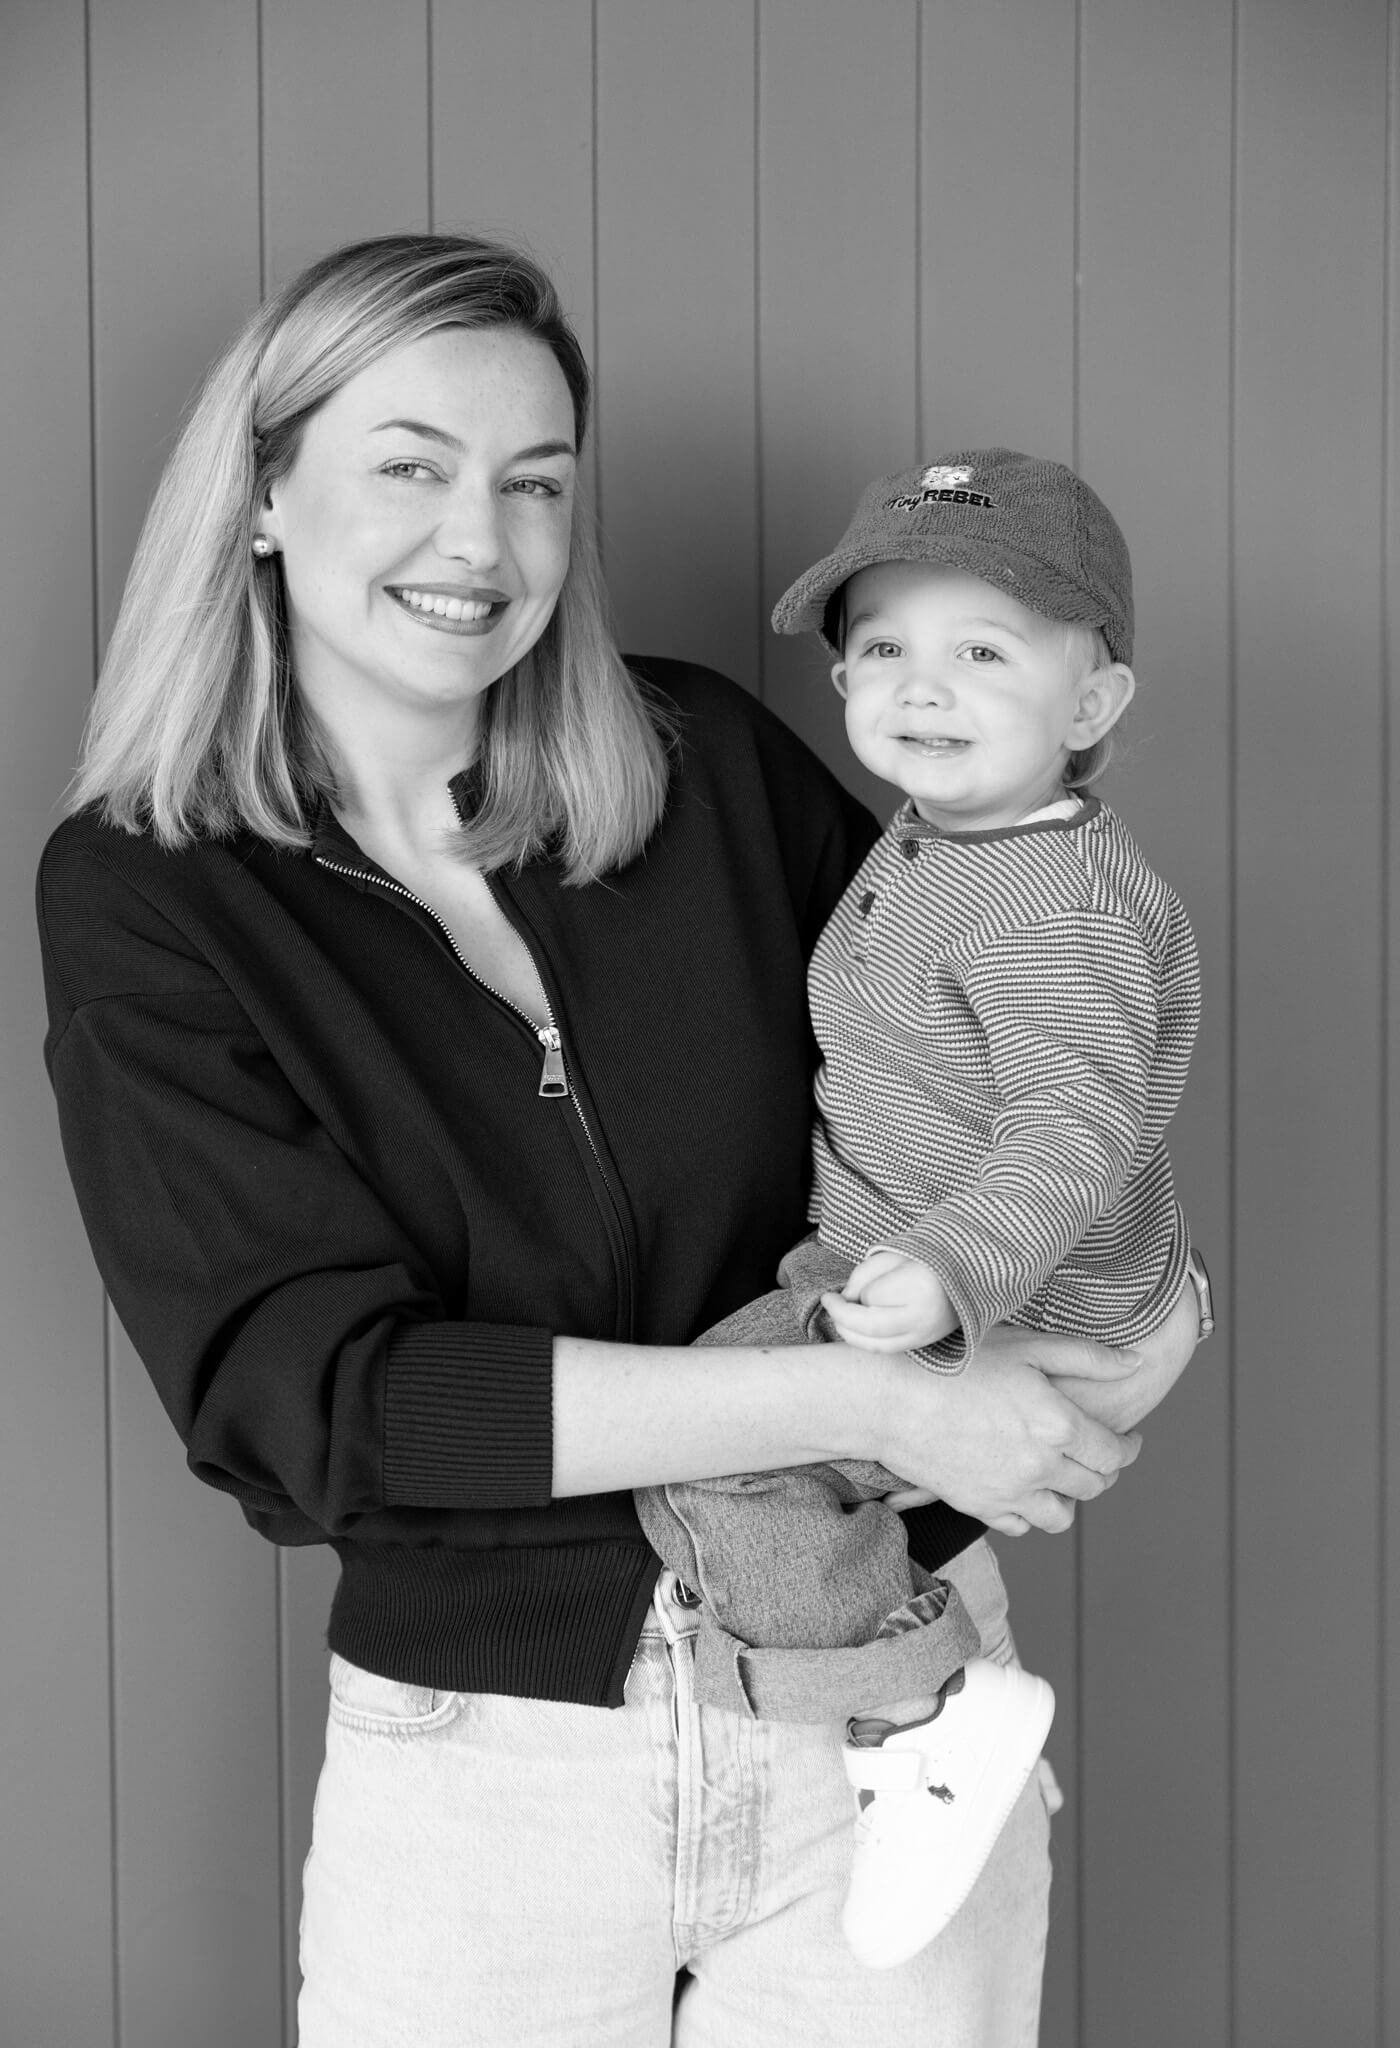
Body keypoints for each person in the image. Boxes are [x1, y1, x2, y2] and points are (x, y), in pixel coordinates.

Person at [36, 236, 1201, 2048]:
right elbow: (315, 1405)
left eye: (536, 484)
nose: (478, 543)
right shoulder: (149, 894)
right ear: (264, 493)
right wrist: (863, 1401)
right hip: (495, 1773)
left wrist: (1162, 1298)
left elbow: (1038, 1038)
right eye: (411, 466)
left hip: (891, 1728)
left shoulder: (711, 764)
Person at [637, 448, 1205, 1972]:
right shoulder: (954, 834)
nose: (922, 685)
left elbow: (1073, 1125)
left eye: (985, 650)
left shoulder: (1046, 906)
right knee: (733, 1437)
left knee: (717, 1469)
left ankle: (927, 1712)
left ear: (1092, 708)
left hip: (991, 1281)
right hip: (926, 1256)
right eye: (882, 645)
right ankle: (931, 1721)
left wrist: (955, 1271)